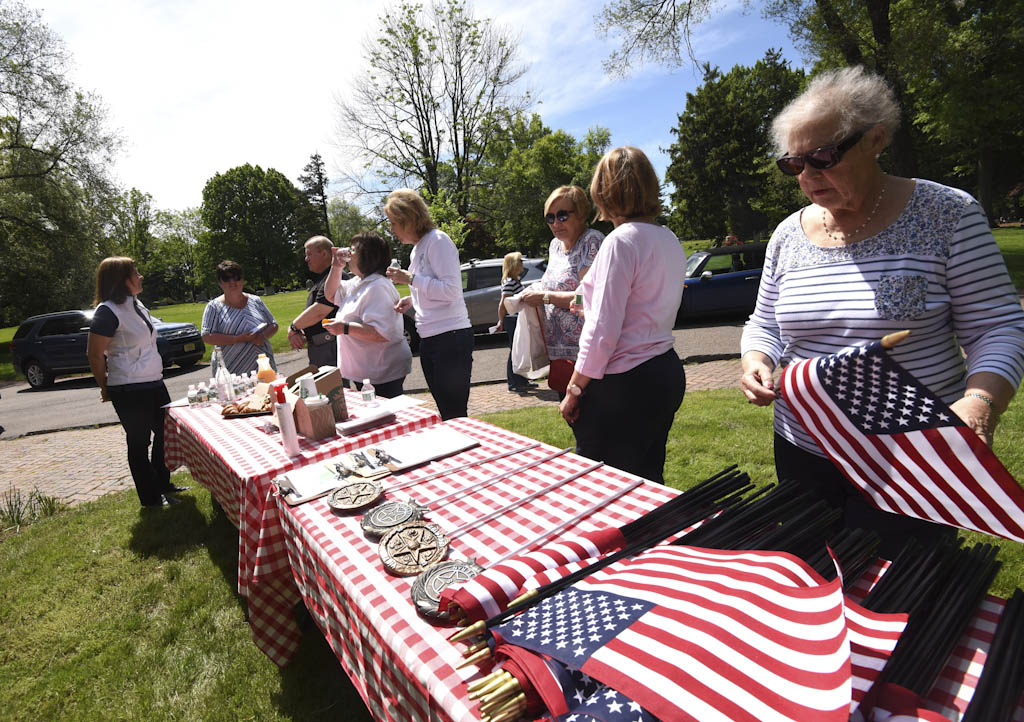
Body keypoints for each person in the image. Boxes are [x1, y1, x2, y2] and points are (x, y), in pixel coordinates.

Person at [739, 66, 1024, 554]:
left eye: (822, 157)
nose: (807, 175)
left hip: (909, 455)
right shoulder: (787, 235)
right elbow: (764, 322)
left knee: (897, 597)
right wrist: (757, 359)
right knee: (808, 579)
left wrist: (979, 404)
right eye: (794, 164)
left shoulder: (947, 214)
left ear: (875, 140)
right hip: (805, 446)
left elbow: (998, 326)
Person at [559, 147, 687, 483]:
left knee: (605, 488)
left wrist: (574, 388)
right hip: (663, 371)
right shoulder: (669, 238)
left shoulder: (620, 241)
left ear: (603, 191)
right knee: (647, 481)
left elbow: (603, 330)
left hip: (624, 383)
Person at [86, 257, 188, 508]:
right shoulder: (107, 311)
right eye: (136, 273)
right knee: (140, 442)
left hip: (153, 381)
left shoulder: (136, 304)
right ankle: (151, 499)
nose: (141, 276)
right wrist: (104, 386)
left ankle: (163, 484)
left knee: (167, 434)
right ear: (121, 280)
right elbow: (94, 353)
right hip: (129, 387)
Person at [383, 189, 472, 420]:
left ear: (409, 219)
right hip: (431, 337)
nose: (391, 229)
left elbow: (451, 291)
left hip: (450, 337)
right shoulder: (418, 249)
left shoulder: (438, 241)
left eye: (394, 223)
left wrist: (410, 279)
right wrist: (412, 299)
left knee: (454, 413)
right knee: (446, 411)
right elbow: (432, 287)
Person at [519, 186, 604, 387]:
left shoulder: (591, 242)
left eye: (563, 215)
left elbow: (587, 298)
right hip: (558, 354)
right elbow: (556, 283)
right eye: (550, 218)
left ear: (582, 214)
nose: (556, 223)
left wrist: (545, 297)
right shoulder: (555, 246)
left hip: (586, 356)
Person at [323, 232, 412, 398]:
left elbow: (381, 332)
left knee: (386, 418)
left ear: (368, 256)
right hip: (367, 370)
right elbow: (331, 294)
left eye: (353, 250)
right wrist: (336, 267)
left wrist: (344, 327)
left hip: (381, 371)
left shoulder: (377, 287)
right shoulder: (359, 282)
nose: (348, 254)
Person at [200, 260, 278, 375]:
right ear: (220, 283)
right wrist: (237, 339)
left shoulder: (255, 301)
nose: (232, 282)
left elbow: (273, 324)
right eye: (227, 279)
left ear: (242, 280)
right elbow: (207, 336)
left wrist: (262, 336)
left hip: (264, 367)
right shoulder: (214, 307)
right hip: (231, 370)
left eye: (236, 277)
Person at [287, 236, 339, 368]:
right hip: (323, 346)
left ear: (324, 253)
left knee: (331, 388)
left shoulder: (333, 277)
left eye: (309, 254)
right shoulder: (324, 278)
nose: (306, 259)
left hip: (329, 347)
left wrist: (294, 327)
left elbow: (320, 311)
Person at [496, 251, 536, 392]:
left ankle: (522, 380)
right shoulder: (509, 283)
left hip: (517, 318)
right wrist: (500, 321)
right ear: (513, 264)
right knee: (515, 350)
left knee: (520, 349)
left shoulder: (514, 280)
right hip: (512, 319)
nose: (522, 264)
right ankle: (514, 383)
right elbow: (503, 304)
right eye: (520, 262)